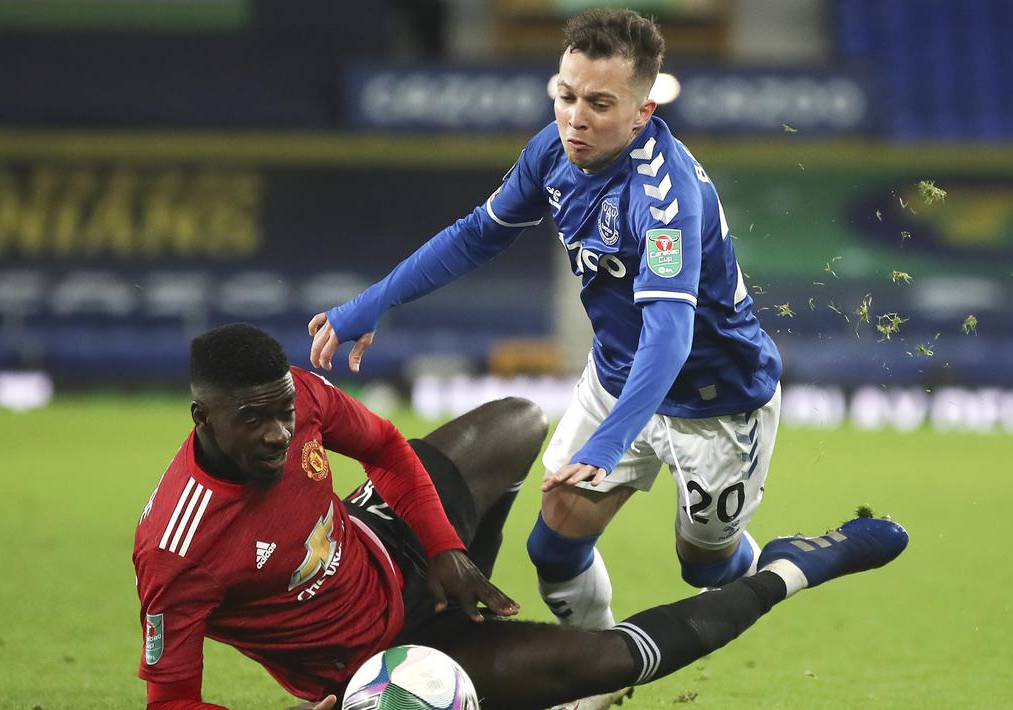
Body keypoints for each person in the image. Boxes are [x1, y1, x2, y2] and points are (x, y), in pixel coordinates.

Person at [308, 7, 783, 655]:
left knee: (704, 567)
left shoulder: (663, 197)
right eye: (565, 95)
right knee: (552, 545)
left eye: (598, 102)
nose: (574, 117)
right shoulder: (551, 152)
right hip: (618, 378)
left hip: (715, 401)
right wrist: (373, 302)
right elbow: (477, 234)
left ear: (642, 112)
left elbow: (669, 336)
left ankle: (779, 565)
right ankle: (599, 671)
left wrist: (607, 445)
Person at [134, 323, 908, 710]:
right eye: (254, 422)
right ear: (201, 415)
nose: (278, 434)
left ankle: (469, 579)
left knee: (516, 420)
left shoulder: (300, 398)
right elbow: (172, 702)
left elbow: (389, 454)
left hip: (392, 550)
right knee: (608, 665)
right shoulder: (179, 549)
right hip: (376, 669)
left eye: (282, 415)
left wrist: (442, 548)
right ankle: (796, 564)